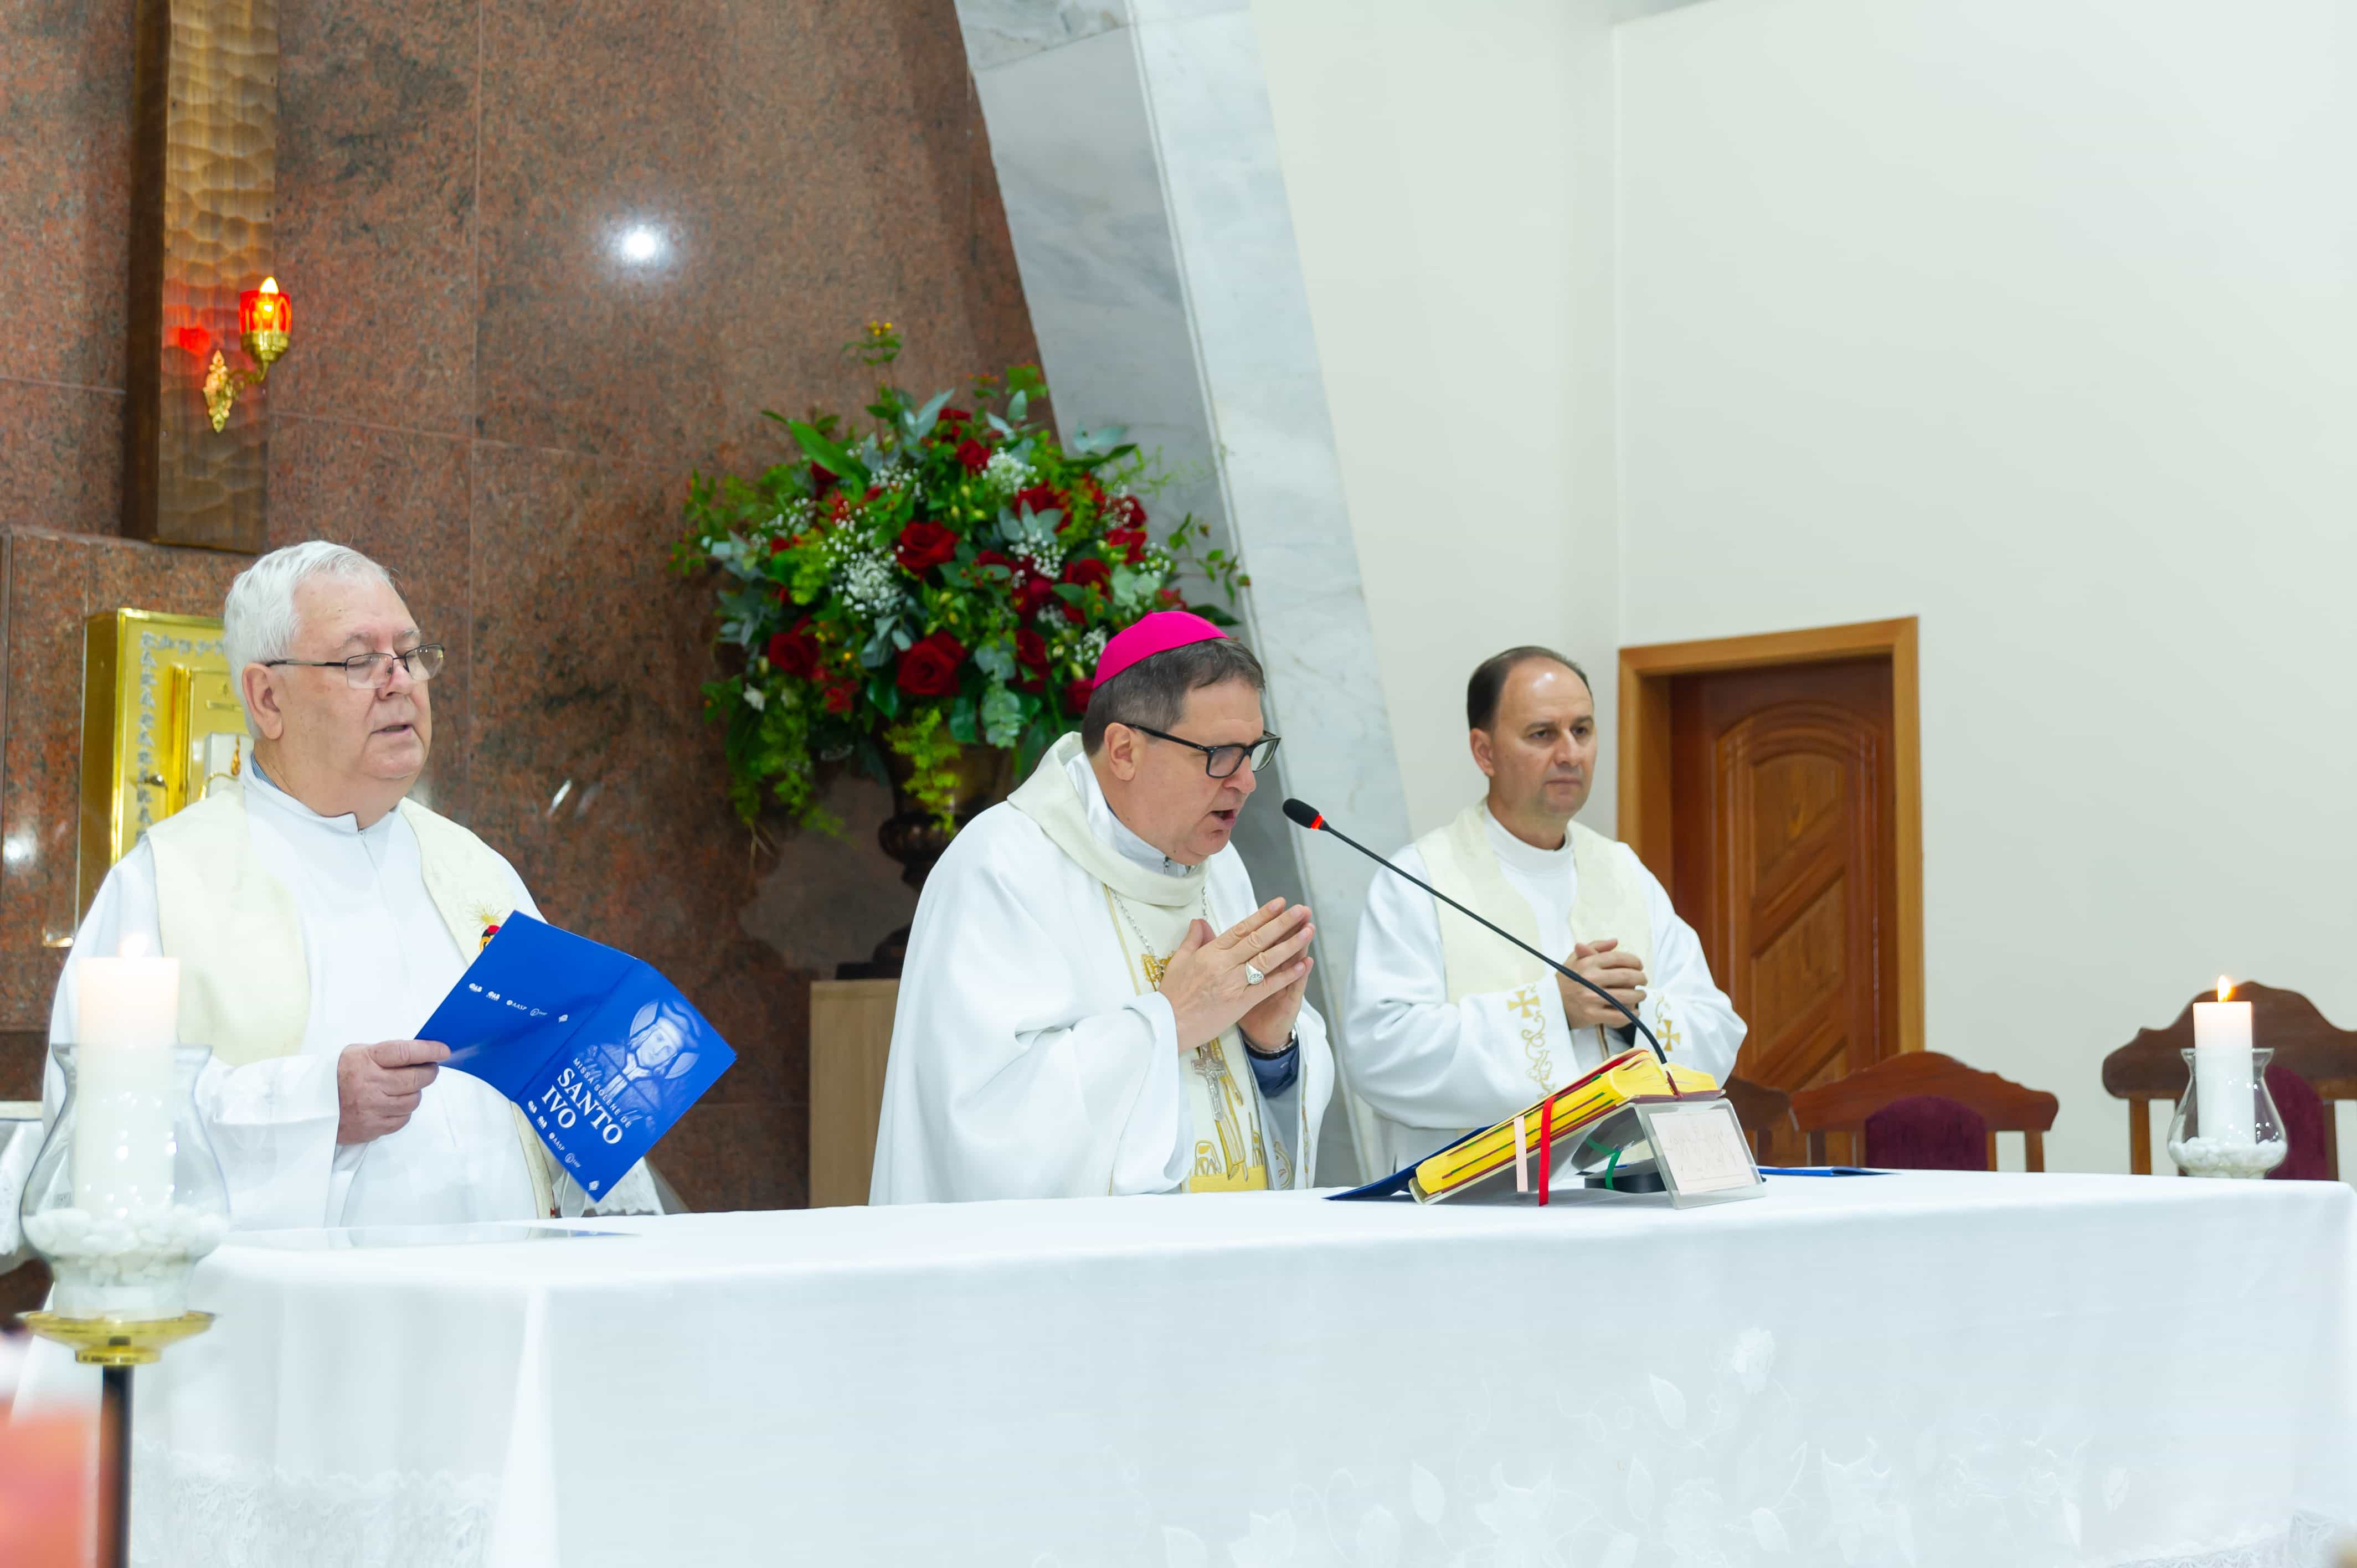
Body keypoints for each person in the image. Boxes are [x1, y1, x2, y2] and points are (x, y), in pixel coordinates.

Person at [44, 541, 655, 1229]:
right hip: (297, 1299)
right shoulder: (166, 884)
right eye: (360, 660)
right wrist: (318, 1106)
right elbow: (99, 1131)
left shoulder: (476, 871)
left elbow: (573, 1106)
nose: (401, 682)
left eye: (411, 654)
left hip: (508, 1288)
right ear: (267, 698)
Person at [871, 611, 1334, 1202]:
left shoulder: (1218, 867)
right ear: (1123, 750)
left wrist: (1271, 1048)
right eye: (1221, 753)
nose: (1246, 781)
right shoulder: (1002, 865)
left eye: (1253, 751)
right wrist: (1169, 1021)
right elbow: (982, 1121)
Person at [1343, 646, 1744, 1172]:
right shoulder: (1419, 880)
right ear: (1484, 752)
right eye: (1542, 734)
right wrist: (1552, 1009)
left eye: (1582, 730)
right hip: (1479, 1201)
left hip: (1629, 1193)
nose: (1570, 753)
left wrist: (1634, 1014)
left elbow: (1717, 1029)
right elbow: (1382, 1054)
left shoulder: (1623, 872)